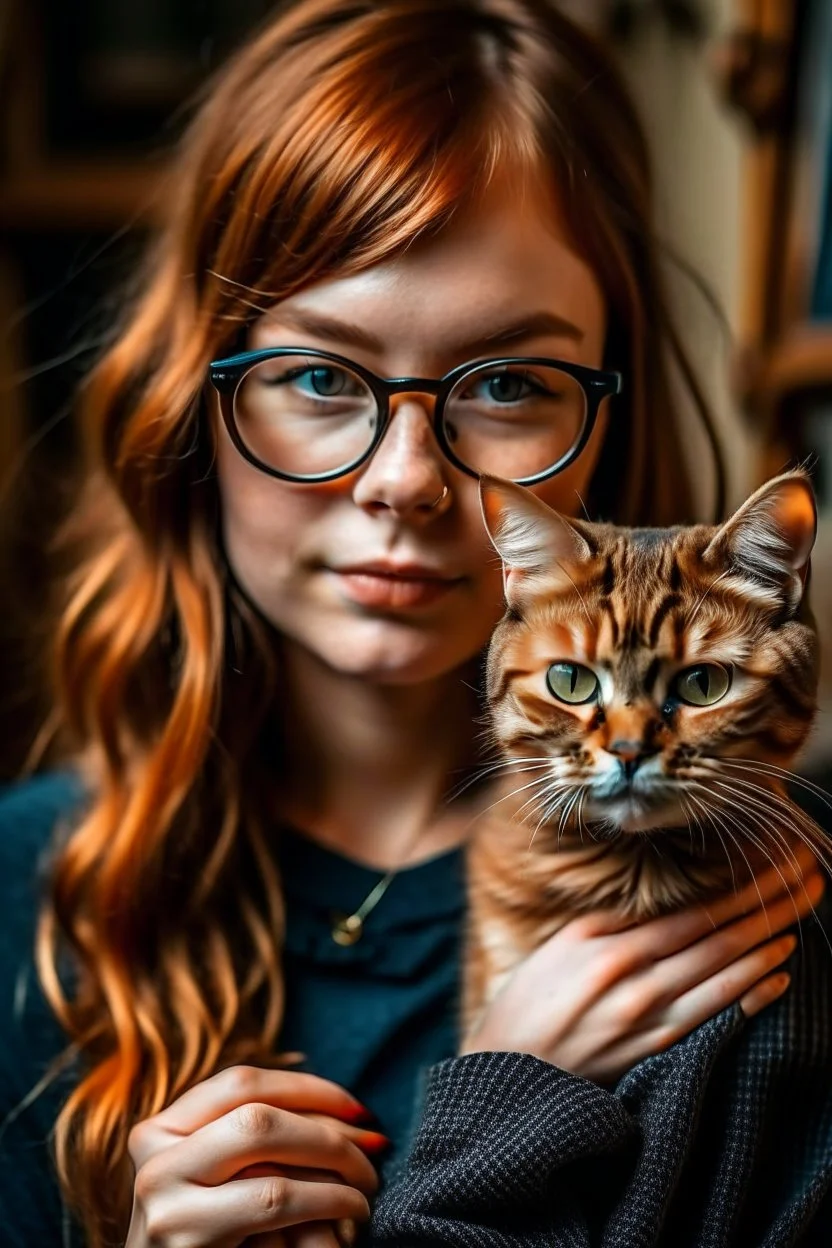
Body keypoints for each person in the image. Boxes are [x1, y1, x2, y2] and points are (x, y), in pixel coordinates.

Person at [1, 2, 830, 1245]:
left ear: (609, 402)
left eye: (505, 383)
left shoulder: (769, 900)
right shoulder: (22, 895)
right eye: (323, 377)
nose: (404, 477)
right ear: (195, 399)